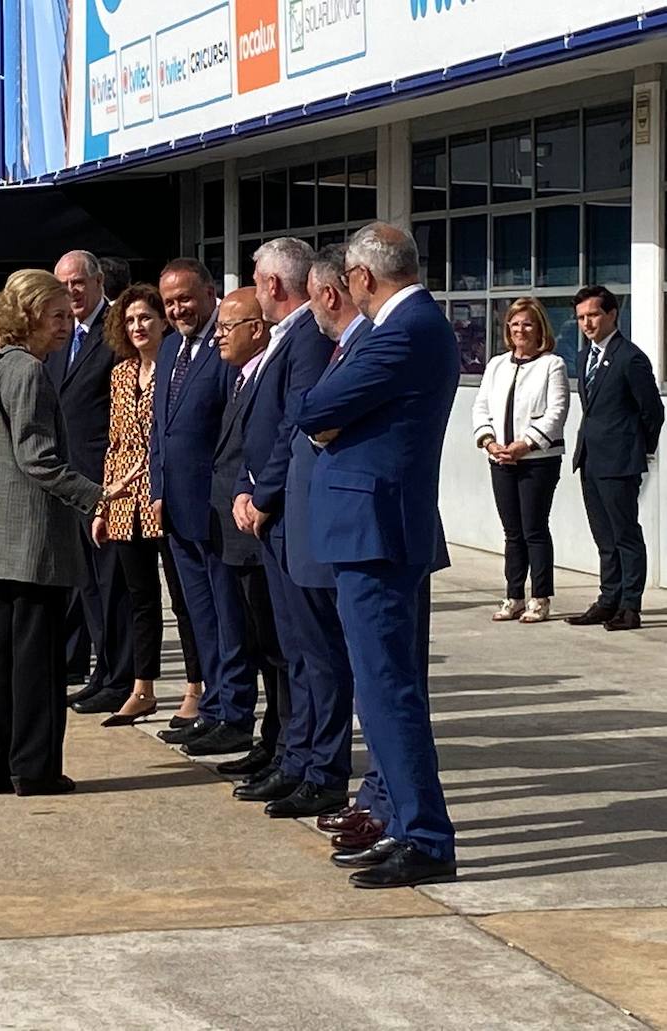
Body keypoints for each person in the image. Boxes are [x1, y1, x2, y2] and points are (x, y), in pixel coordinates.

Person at [292, 221, 458, 889]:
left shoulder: (404, 330)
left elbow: (314, 406)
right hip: (378, 529)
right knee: (388, 687)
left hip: (377, 533)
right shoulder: (410, 328)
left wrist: (332, 414)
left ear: (361, 277)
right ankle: (399, 819)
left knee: (388, 690)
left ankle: (425, 834)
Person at [0, 269, 136, 796]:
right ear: (30, 318)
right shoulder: (28, 372)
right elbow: (39, 460)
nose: (65, 323)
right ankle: (33, 768)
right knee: (35, 663)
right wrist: (98, 493)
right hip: (29, 545)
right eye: (56, 315)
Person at [231, 239, 342, 819]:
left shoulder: (306, 339)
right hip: (271, 514)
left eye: (256, 277)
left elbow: (292, 428)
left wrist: (263, 496)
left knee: (313, 651)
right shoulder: (288, 338)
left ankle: (320, 766)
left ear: (275, 285)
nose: (254, 285)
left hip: (284, 515)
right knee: (293, 650)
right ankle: (296, 757)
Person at [150, 258, 260, 759]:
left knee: (228, 619)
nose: (177, 310)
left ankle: (234, 712)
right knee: (198, 617)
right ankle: (213, 706)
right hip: (176, 508)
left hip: (217, 510)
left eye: (185, 299)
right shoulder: (171, 347)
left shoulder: (226, 345)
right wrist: (156, 487)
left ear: (210, 292)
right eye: (170, 302)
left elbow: (233, 431)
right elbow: (161, 428)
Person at [299, 245, 385, 854]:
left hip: (373, 532)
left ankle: (383, 801)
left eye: (311, 295)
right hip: (345, 528)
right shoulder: (344, 347)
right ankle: (379, 801)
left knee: (381, 679)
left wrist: (318, 415)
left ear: (331, 293)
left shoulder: (372, 343)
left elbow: (313, 413)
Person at [91, 285, 204, 728]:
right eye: (131, 320)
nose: (138, 326)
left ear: (163, 322)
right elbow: (115, 444)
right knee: (140, 599)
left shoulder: (177, 372)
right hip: (122, 504)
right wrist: (102, 503)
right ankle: (143, 687)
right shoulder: (120, 375)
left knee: (183, 599)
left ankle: (195, 686)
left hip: (162, 496)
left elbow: (166, 443)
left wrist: (140, 479)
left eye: (145, 318)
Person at [203, 291, 288, 779]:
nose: (219, 336)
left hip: (258, 532)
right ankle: (270, 741)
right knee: (256, 644)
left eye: (227, 327)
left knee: (275, 648)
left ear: (256, 328)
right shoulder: (241, 378)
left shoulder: (267, 373)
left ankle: (281, 744)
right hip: (231, 527)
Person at [47, 250, 135, 717]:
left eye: (79, 282)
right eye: (64, 284)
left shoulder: (116, 332)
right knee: (89, 587)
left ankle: (120, 677)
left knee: (113, 584)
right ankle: (101, 672)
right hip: (70, 484)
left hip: (108, 482)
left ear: (99, 281)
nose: (72, 292)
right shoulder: (61, 336)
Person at [565, 286, 664, 632]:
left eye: (592, 315)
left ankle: (629, 606)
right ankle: (608, 599)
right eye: (580, 317)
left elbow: (653, 411)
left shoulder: (629, 357)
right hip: (591, 459)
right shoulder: (583, 357)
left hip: (620, 460)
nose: (586, 323)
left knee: (625, 534)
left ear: (611, 315)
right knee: (603, 536)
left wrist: (641, 449)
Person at [471, 299, 570, 623]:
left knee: (534, 529)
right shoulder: (497, 365)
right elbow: (481, 406)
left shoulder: (552, 365)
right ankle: (513, 595)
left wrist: (524, 444)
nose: (520, 330)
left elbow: (556, 412)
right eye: (515, 324)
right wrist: (490, 441)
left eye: (527, 324)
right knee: (512, 532)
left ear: (539, 327)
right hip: (501, 459)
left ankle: (540, 597)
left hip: (537, 460)